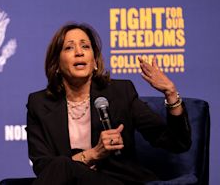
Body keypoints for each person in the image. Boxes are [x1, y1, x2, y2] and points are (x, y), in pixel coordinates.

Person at [26, 23, 191, 185]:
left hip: (117, 181)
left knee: (62, 165)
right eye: (69, 48)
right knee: (61, 166)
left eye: (85, 46)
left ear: (95, 61)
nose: (79, 52)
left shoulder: (120, 93)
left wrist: (170, 93)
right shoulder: (39, 104)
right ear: (56, 64)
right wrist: (93, 154)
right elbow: (44, 167)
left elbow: (176, 142)